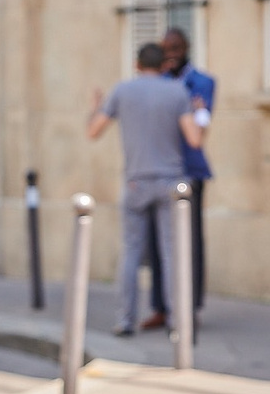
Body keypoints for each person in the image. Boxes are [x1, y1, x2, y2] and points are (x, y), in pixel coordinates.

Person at [87, 41, 203, 337]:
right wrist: (200, 114)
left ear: (137, 64)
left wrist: (95, 108)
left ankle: (125, 320)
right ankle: (178, 322)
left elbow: (93, 131)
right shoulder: (178, 91)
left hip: (136, 181)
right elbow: (194, 140)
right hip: (171, 184)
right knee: (172, 254)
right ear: (164, 65)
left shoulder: (122, 91)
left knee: (131, 254)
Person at [140, 27, 215, 329]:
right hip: (157, 168)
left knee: (190, 242)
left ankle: (189, 308)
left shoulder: (201, 82)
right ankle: (161, 306)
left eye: (175, 48)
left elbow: (201, 126)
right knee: (156, 243)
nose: (170, 55)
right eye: (165, 49)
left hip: (188, 171)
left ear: (186, 48)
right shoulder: (157, 83)